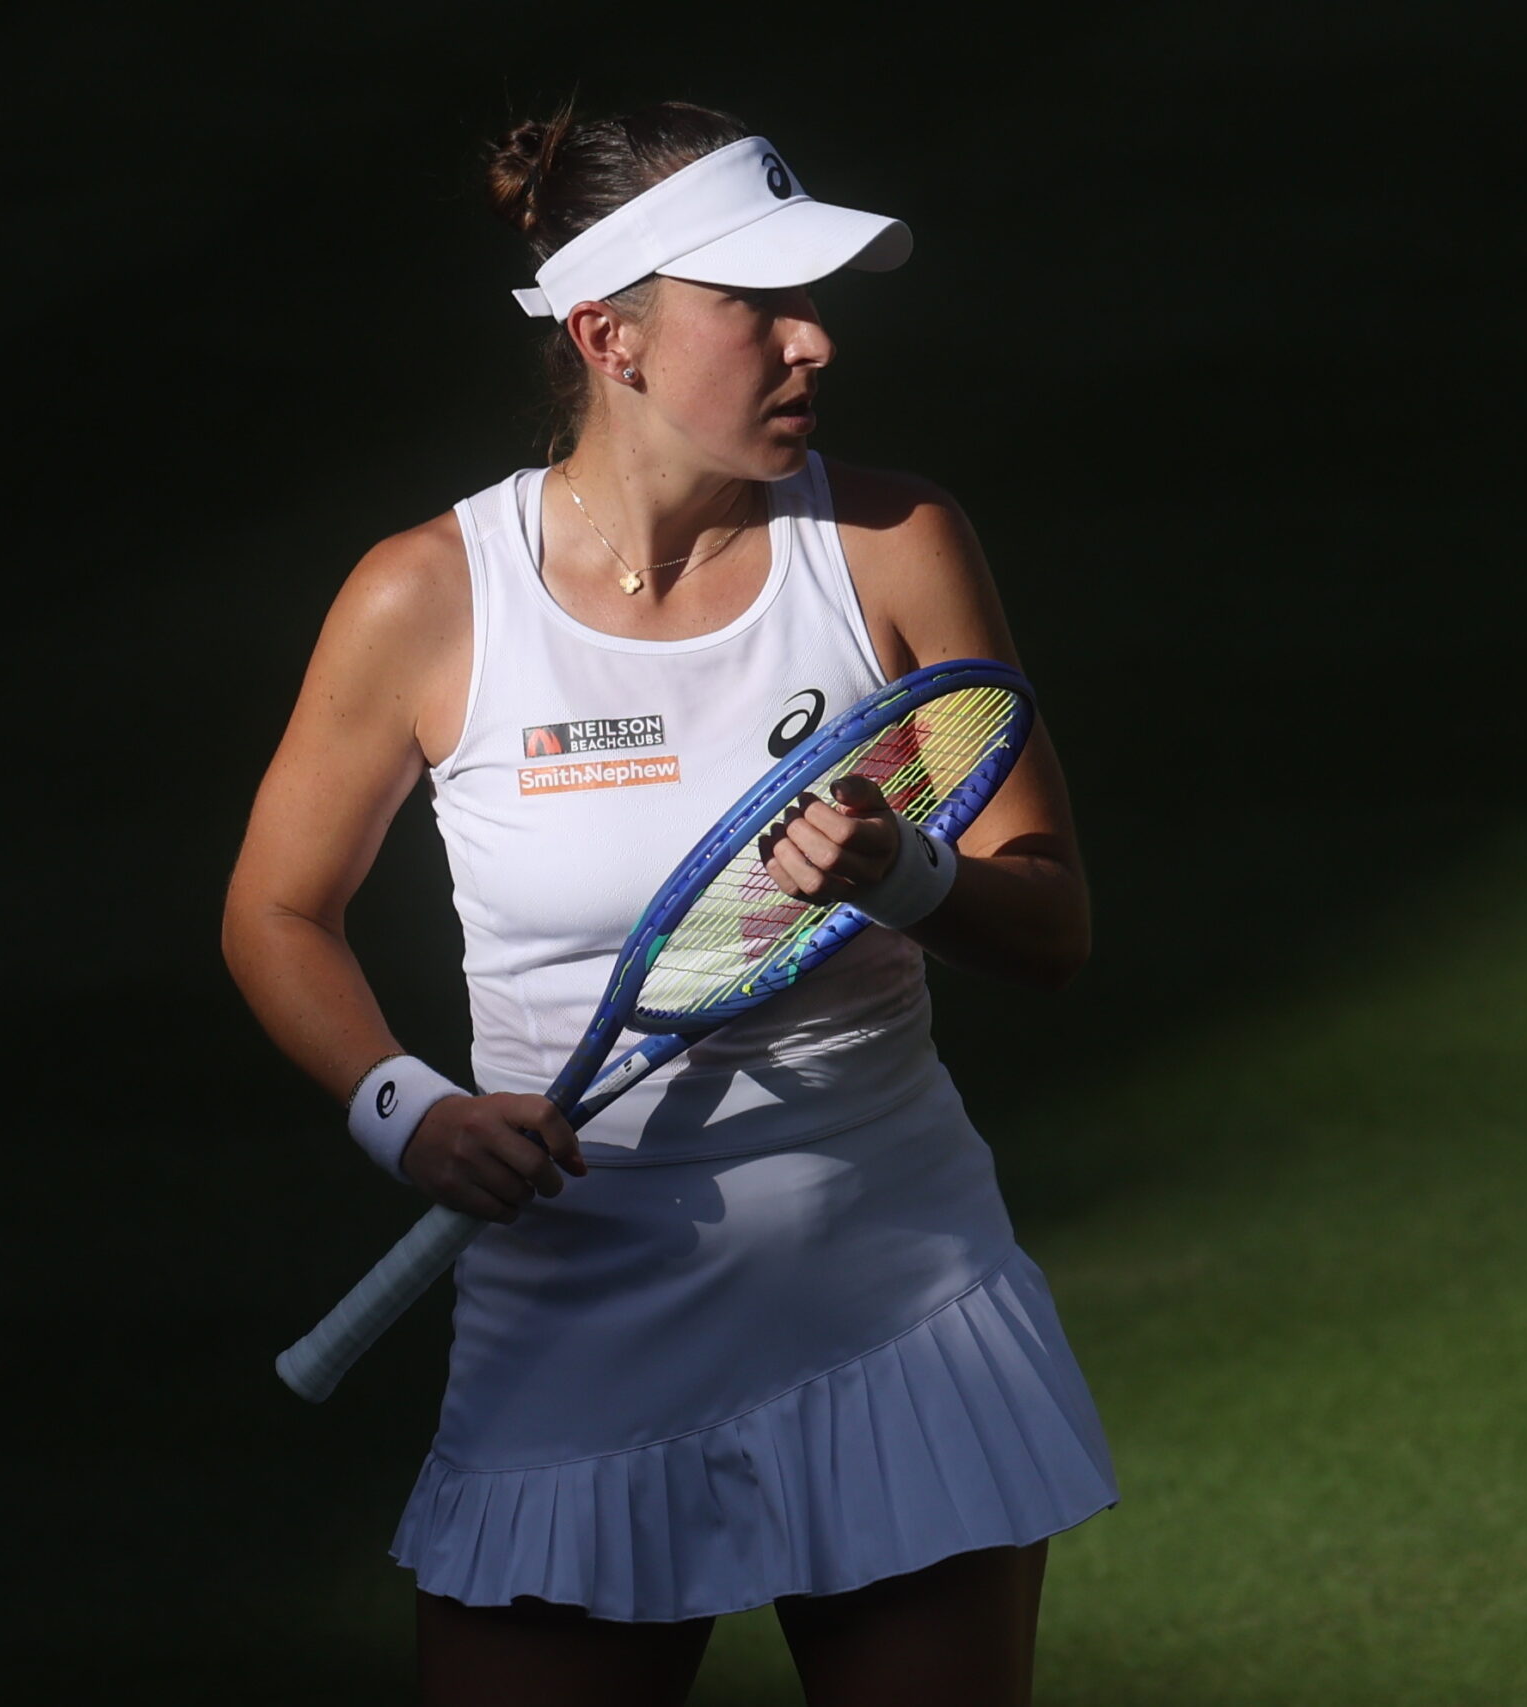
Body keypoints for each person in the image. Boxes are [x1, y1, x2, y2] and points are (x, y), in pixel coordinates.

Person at [221, 100, 1116, 1707]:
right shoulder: (425, 596)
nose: (813, 340)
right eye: (755, 304)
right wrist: (406, 1111)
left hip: (894, 1301)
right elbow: (277, 912)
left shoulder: (897, 546)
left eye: (810, 299)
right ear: (608, 337)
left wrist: (902, 872)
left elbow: (1051, 927)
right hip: (572, 1337)